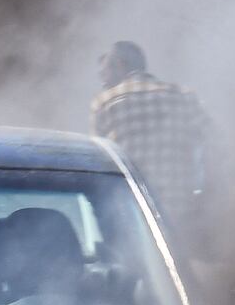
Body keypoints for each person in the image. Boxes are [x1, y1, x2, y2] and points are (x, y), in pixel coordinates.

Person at [91, 41, 212, 253]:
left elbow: (97, 163)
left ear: (120, 64)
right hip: (180, 210)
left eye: (106, 71)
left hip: (130, 211)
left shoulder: (104, 103)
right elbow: (214, 144)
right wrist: (205, 191)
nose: (102, 79)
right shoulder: (183, 97)